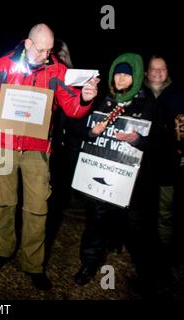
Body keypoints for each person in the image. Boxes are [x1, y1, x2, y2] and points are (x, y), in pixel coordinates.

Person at [0, 23, 98, 291]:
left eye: (50, 50)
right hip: (4, 143)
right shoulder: (4, 65)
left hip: (38, 148)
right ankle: (3, 250)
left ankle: (32, 264)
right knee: (2, 202)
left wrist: (86, 99)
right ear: (28, 44)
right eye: (41, 49)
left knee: (38, 207)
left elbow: (73, 107)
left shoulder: (57, 70)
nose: (46, 55)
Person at [74, 53, 159, 296]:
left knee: (135, 228)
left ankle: (146, 272)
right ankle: (88, 264)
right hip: (100, 177)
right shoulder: (104, 100)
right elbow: (82, 132)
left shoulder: (148, 104)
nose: (121, 78)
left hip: (131, 184)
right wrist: (92, 132)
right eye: (118, 73)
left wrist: (138, 139)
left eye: (127, 73)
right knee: (95, 223)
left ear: (137, 76)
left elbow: (159, 144)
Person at [143, 55, 184, 264]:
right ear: (146, 72)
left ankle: (164, 251)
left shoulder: (178, 95)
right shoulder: (139, 93)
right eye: (154, 69)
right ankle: (140, 247)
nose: (158, 73)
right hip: (141, 163)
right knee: (140, 207)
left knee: (165, 209)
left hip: (168, 163)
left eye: (163, 69)